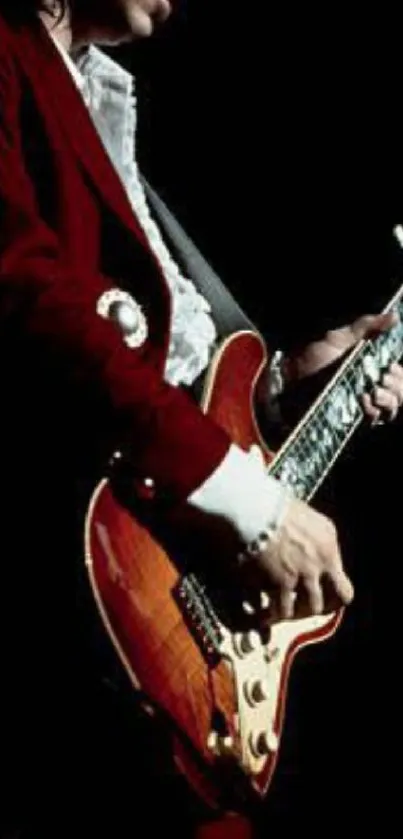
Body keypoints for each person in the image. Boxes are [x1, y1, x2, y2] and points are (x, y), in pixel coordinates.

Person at [0, 2, 402, 837]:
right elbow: (25, 290)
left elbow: (165, 361)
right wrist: (251, 507)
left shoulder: (95, 90)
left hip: (168, 575)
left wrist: (288, 393)